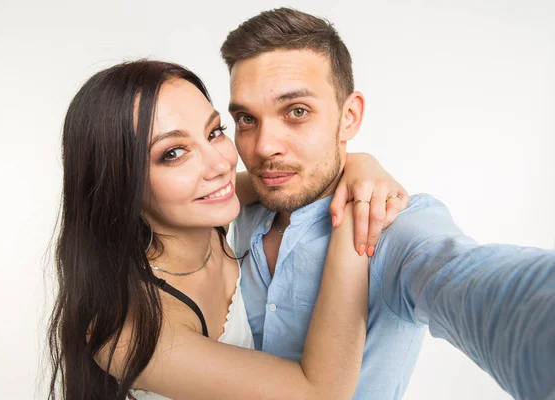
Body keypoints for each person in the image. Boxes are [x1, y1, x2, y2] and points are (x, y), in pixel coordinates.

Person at [222, 7, 555, 400]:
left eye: (297, 112)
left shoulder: (391, 225)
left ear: (350, 117)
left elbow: (469, 279)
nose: (263, 148)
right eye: (246, 119)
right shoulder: (235, 209)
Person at [47, 60, 409, 400]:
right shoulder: (124, 331)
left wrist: (360, 164)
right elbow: (318, 393)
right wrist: (353, 216)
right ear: (120, 185)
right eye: (174, 153)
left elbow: (296, 179)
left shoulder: (204, 212)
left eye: (215, 131)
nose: (221, 163)